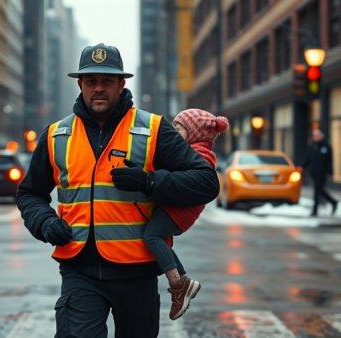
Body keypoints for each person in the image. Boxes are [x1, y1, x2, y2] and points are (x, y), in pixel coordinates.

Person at [16, 43, 219, 338]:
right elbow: (29, 194)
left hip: (137, 273)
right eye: (92, 81)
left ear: (121, 84)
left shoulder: (153, 129)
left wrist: (150, 182)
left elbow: (206, 182)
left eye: (107, 81)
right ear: (80, 84)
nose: (99, 88)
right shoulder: (56, 135)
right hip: (79, 271)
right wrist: (44, 223)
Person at [143, 108, 229, 320]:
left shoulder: (200, 154)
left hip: (182, 209)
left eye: (178, 127)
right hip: (179, 207)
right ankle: (182, 281)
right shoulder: (191, 149)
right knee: (158, 237)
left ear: (195, 132)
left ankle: (179, 283)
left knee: (151, 236)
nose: (173, 131)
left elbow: (186, 179)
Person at [299, 128, 338, 216]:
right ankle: (333, 202)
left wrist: (330, 172)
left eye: (317, 135)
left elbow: (329, 161)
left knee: (317, 191)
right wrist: (302, 166)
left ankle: (315, 210)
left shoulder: (326, 146)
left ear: (322, 136)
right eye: (314, 135)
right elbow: (307, 158)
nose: (316, 137)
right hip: (314, 172)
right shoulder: (312, 146)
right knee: (319, 191)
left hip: (322, 173)